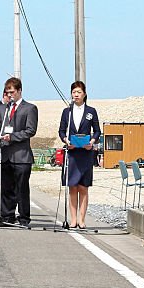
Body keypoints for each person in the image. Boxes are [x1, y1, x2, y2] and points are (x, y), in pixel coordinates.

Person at [0, 77, 37, 227]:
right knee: (6, 188)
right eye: (7, 92)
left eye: (12, 92)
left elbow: (30, 130)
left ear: (19, 91)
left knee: (21, 189)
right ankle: (6, 216)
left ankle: (23, 218)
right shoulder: (3, 108)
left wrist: (13, 137)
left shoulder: (30, 108)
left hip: (21, 156)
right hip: (5, 155)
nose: (10, 95)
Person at [59, 81, 101, 229]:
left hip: (86, 152)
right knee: (73, 187)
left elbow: (97, 130)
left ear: (84, 94)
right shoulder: (67, 112)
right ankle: (73, 219)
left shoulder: (91, 111)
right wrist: (66, 140)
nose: (76, 94)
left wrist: (92, 141)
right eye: (73, 92)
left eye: (78, 92)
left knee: (83, 187)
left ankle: (82, 220)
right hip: (72, 153)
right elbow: (62, 131)